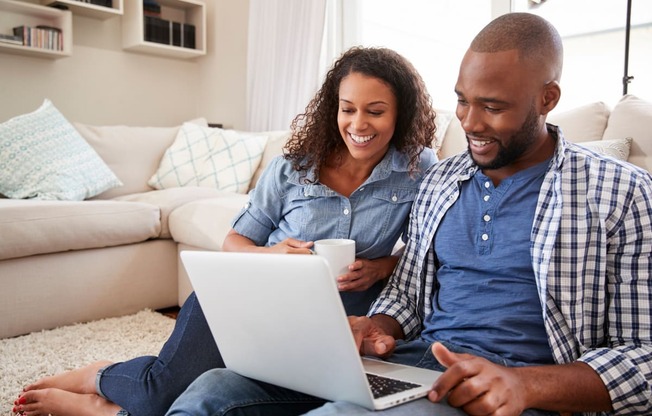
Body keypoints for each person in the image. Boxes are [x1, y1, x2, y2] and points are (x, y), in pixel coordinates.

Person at [163, 12, 652, 416]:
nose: (470, 123)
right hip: (418, 364)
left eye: (493, 107)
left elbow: (645, 358)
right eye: (461, 102)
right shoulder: (441, 181)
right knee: (214, 392)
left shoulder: (622, 192)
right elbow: (409, 292)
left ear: (548, 99)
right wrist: (377, 326)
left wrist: (524, 385)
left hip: (519, 391)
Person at [12, 46, 437, 416]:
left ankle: (107, 410)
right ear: (335, 108)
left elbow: (422, 253)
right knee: (156, 396)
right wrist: (271, 256)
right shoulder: (292, 168)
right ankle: (98, 378)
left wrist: (382, 266)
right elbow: (234, 240)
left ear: (400, 114)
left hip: (335, 314)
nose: (358, 124)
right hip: (249, 296)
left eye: (375, 111)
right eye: (348, 108)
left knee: (242, 399)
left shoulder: (420, 170)